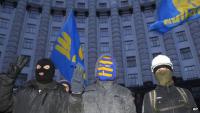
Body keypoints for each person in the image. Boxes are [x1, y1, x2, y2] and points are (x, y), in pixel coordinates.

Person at [0, 56, 82, 113]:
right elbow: (3, 105)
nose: (41, 70)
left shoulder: (61, 94)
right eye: (38, 67)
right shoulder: (22, 91)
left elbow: (73, 111)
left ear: (52, 72)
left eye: (46, 67)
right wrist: (8, 79)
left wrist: (76, 94)